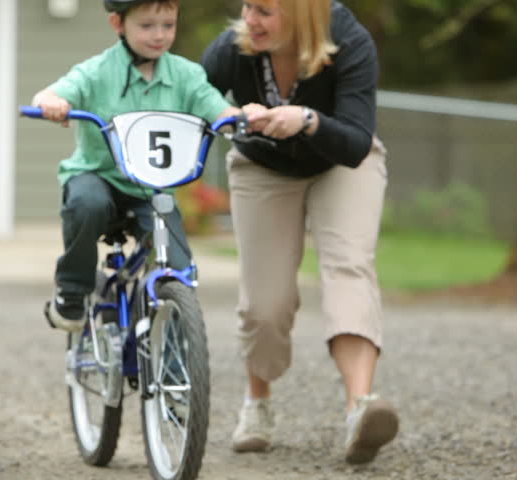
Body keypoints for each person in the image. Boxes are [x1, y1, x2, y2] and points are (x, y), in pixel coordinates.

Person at [201, 0, 399, 464]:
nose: (250, 19)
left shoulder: (350, 42)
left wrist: (306, 120)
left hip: (341, 160)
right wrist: (224, 113)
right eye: (247, 5)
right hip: (262, 165)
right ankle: (258, 404)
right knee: (265, 301)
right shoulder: (234, 48)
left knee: (349, 267)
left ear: (302, 13)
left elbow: (354, 140)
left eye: (265, 11)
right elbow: (185, 95)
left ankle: (359, 409)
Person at [32, 0, 239, 331]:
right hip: (98, 176)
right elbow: (52, 93)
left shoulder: (187, 75)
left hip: (152, 186)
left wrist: (237, 118)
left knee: (178, 268)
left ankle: (173, 355)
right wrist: (51, 103)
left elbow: (215, 106)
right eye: (147, 26)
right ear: (118, 24)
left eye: (168, 25)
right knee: (88, 202)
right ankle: (71, 292)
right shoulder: (97, 71)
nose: (159, 35)